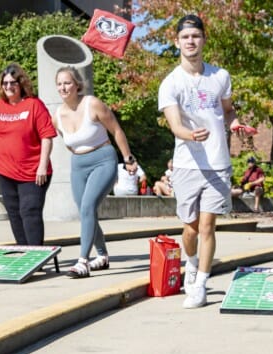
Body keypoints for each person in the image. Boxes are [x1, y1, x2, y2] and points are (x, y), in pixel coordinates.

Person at [158, 14, 254, 309]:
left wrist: (234, 122)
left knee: (208, 226)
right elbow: (175, 125)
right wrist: (190, 134)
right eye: (185, 37)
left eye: (196, 36)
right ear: (177, 42)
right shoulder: (170, 83)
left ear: (203, 40)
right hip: (187, 164)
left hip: (217, 164)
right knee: (190, 229)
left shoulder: (220, 76)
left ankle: (200, 284)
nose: (191, 41)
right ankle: (192, 262)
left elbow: (227, 110)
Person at [52, 66, 140, 277]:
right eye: (59, 84)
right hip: (78, 164)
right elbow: (68, 143)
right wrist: (80, 154)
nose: (63, 87)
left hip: (103, 159)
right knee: (86, 211)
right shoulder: (57, 115)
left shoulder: (93, 104)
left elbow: (116, 130)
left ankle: (83, 261)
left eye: (67, 83)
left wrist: (128, 158)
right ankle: (102, 256)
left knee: (88, 206)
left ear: (77, 85)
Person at [0, 64, 57, 246]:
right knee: (14, 213)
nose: (8, 87)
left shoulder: (34, 105)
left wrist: (42, 166)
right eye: (5, 83)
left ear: (21, 83)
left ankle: (36, 254)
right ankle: (24, 251)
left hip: (33, 172)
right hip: (6, 172)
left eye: (12, 82)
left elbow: (47, 137)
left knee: (30, 210)